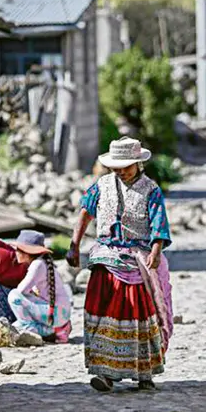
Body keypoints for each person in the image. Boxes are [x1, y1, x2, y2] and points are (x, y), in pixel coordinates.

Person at [67, 137, 173, 393]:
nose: (121, 171)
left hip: (137, 256)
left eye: (126, 166)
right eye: (117, 167)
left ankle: (144, 371)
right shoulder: (101, 186)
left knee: (137, 312)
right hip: (106, 255)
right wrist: (74, 244)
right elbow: (85, 212)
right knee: (103, 310)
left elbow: (159, 223)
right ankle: (105, 372)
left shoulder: (151, 190)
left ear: (138, 163)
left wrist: (156, 250)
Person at [7, 229, 73, 343]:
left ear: (26, 252)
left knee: (14, 296)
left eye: (18, 249)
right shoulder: (42, 263)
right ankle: (58, 330)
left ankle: (42, 330)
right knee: (15, 325)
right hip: (60, 313)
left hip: (56, 314)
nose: (15, 252)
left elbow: (21, 290)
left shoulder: (37, 265)